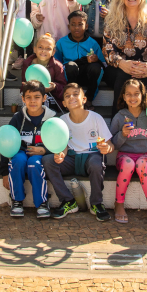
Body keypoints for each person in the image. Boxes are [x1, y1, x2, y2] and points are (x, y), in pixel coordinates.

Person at [43, 83, 113, 221]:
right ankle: (68, 201)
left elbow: (109, 144)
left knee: (96, 163)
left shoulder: (95, 118)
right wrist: (61, 154)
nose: (72, 97)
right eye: (67, 96)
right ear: (63, 103)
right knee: (47, 160)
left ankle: (96, 204)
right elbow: (63, 146)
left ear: (84, 99)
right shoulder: (62, 121)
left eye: (76, 94)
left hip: (91, 157)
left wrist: (107, 148)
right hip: (72, 158)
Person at [110, 79, 147, 228]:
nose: (132, 98)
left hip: (144, 156)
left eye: (136, 94)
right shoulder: (120, 116)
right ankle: (119, 204)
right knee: (128, 164)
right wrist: (122, 134)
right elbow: (112, 143)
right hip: (124, 156)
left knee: (141, 164)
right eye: (128, 94)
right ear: (123, 96)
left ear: (143, 95)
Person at [0, 80, 56, 219]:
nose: (32, 101)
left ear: (44, 98)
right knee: (17, 160)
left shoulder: (52, 118)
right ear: (23, 99)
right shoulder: (18, 118)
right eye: (28, 97)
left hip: (40, 154)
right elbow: (6, 143)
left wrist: (44, 150)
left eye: (37, 97)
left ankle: (42, 202)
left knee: (34, 164)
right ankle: (17, 200)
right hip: (21, 152)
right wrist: (4, 172)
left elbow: (58, 143)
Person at [103, 0, 147, 116]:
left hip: (145, 68)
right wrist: (122, 63)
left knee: (146, 76)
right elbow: (108, 49)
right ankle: (117, 124)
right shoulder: (112, 19)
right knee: (124, 75)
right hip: (117, 69)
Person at [55, 11, 105, 107]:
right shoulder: (62, 42)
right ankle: (70, 98)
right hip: (70, 76)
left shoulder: (93, 43)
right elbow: (57, 63)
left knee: (95, 67)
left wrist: (96, 59)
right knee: (70, 66)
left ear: (86, 26)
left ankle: (89, 99)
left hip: (88, 77)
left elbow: (104, 64)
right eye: (73, 25)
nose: (77, 28)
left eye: (80, 24)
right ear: (69, 27)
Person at [21, 34, 67, 112]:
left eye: (48, 48)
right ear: (34, 49)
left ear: (53, 52)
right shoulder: (28, 63)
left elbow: (63, 87)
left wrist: (54, 87)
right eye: (40, 47)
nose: (43, 50)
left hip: (51, 96)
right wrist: (26, 86)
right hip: (32, 93)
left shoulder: (57, 66)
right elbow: (23, 84)